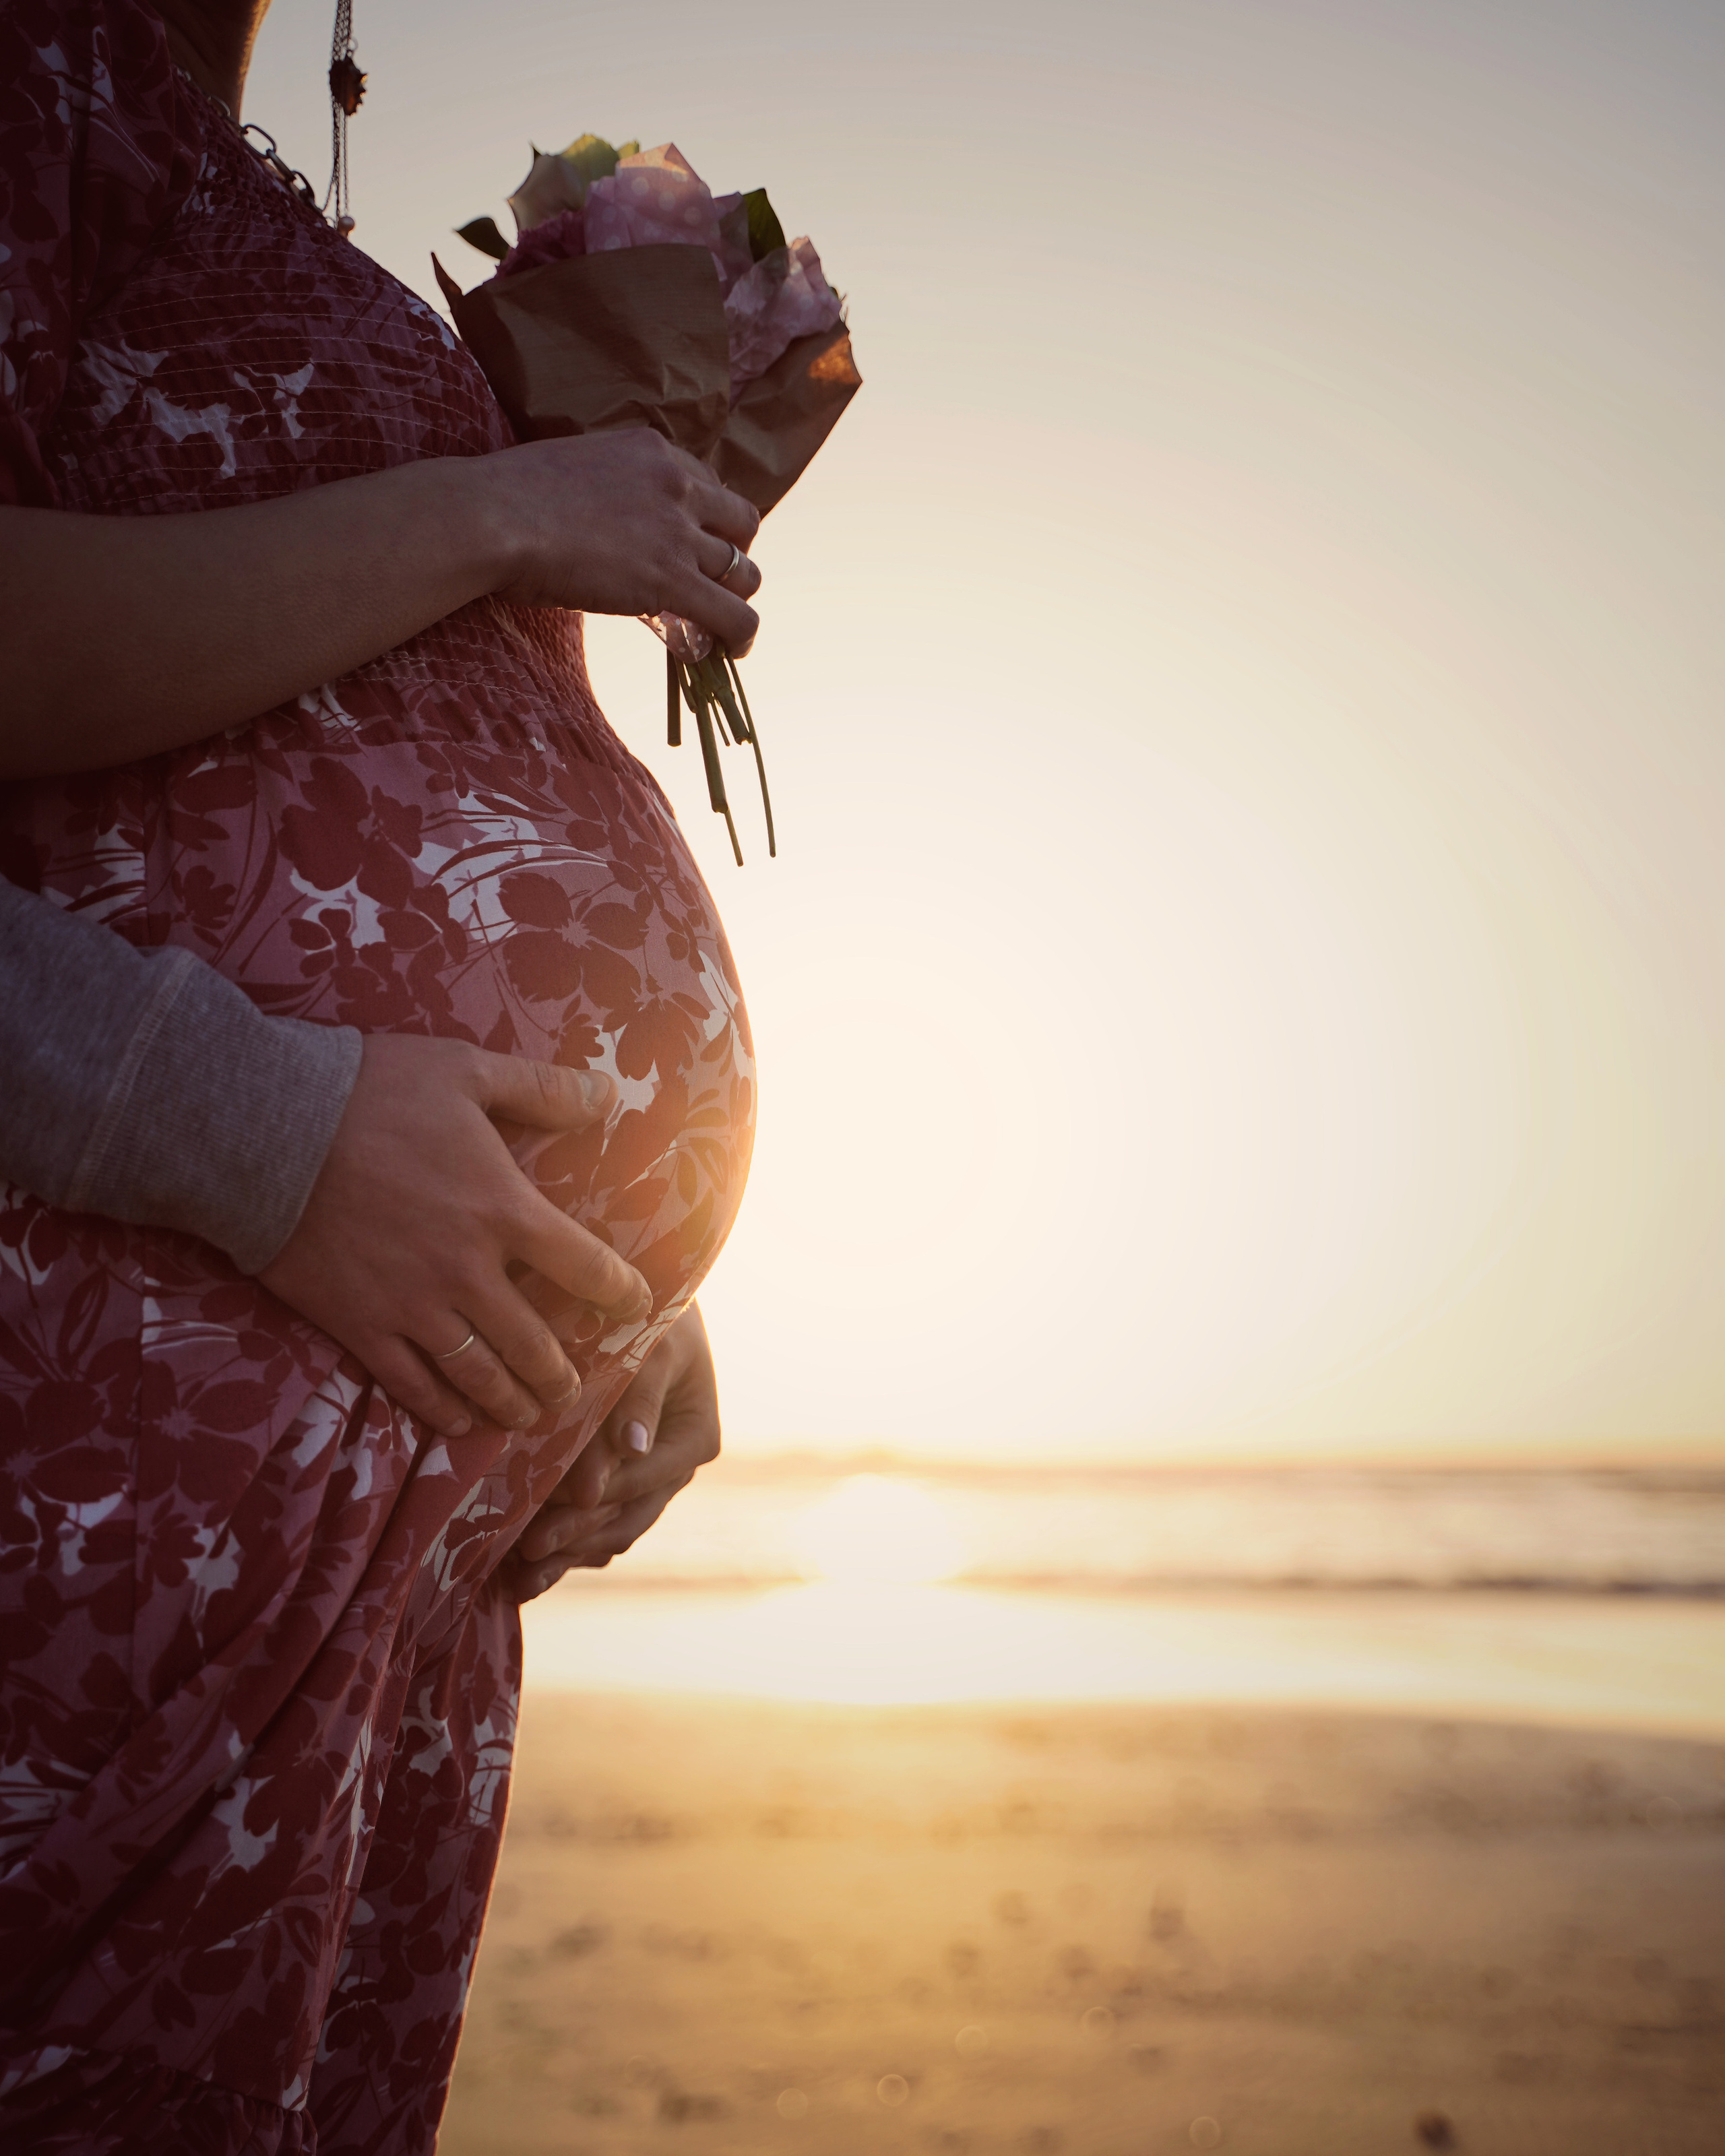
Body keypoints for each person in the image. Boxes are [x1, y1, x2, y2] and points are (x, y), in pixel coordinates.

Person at [0, 0, 764, 2143]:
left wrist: (617, 1278)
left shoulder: (205, 159)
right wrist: (261, 1138)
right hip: (136, 1477)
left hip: (404, 1523)